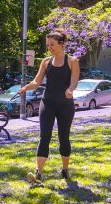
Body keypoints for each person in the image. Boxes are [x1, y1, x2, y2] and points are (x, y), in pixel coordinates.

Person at [19, 30, 80, 185]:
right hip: (48, 103)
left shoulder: (72, 61)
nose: (49, 47)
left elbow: (74, 81)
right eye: (47, 45)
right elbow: (37, 82)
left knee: (63, 137)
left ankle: (65, 170)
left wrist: (70, 90)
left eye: (52, 44)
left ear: (61, 43)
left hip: (65, 105)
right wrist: (26, 88)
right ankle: (38, 174)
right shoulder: (46, 62)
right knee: (44, 136)